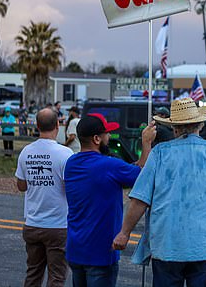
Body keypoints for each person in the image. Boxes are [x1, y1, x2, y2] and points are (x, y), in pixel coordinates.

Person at [113, 98, 206, 287]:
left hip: (167, 245)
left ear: (175, 128)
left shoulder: (159, 153)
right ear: (200, 125)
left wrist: (124, 233)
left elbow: (139, 199)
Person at [64, 113, 152, 286]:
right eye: (107, 133)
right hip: (101, 253)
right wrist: (146, 143)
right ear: (97, 138)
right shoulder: (109, 165)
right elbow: (144, 176)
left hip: (75, 250)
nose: (109, 136)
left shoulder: (71, 163)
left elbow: (125, 171)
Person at [15, 109, 73, 287]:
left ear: (37, 126)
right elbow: (70, 187)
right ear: (58, 125)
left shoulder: (26, 152)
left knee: (33, 274)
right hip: (57, 225)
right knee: (56, 277)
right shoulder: (65, 154)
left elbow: (21, 186)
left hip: (33, 223)